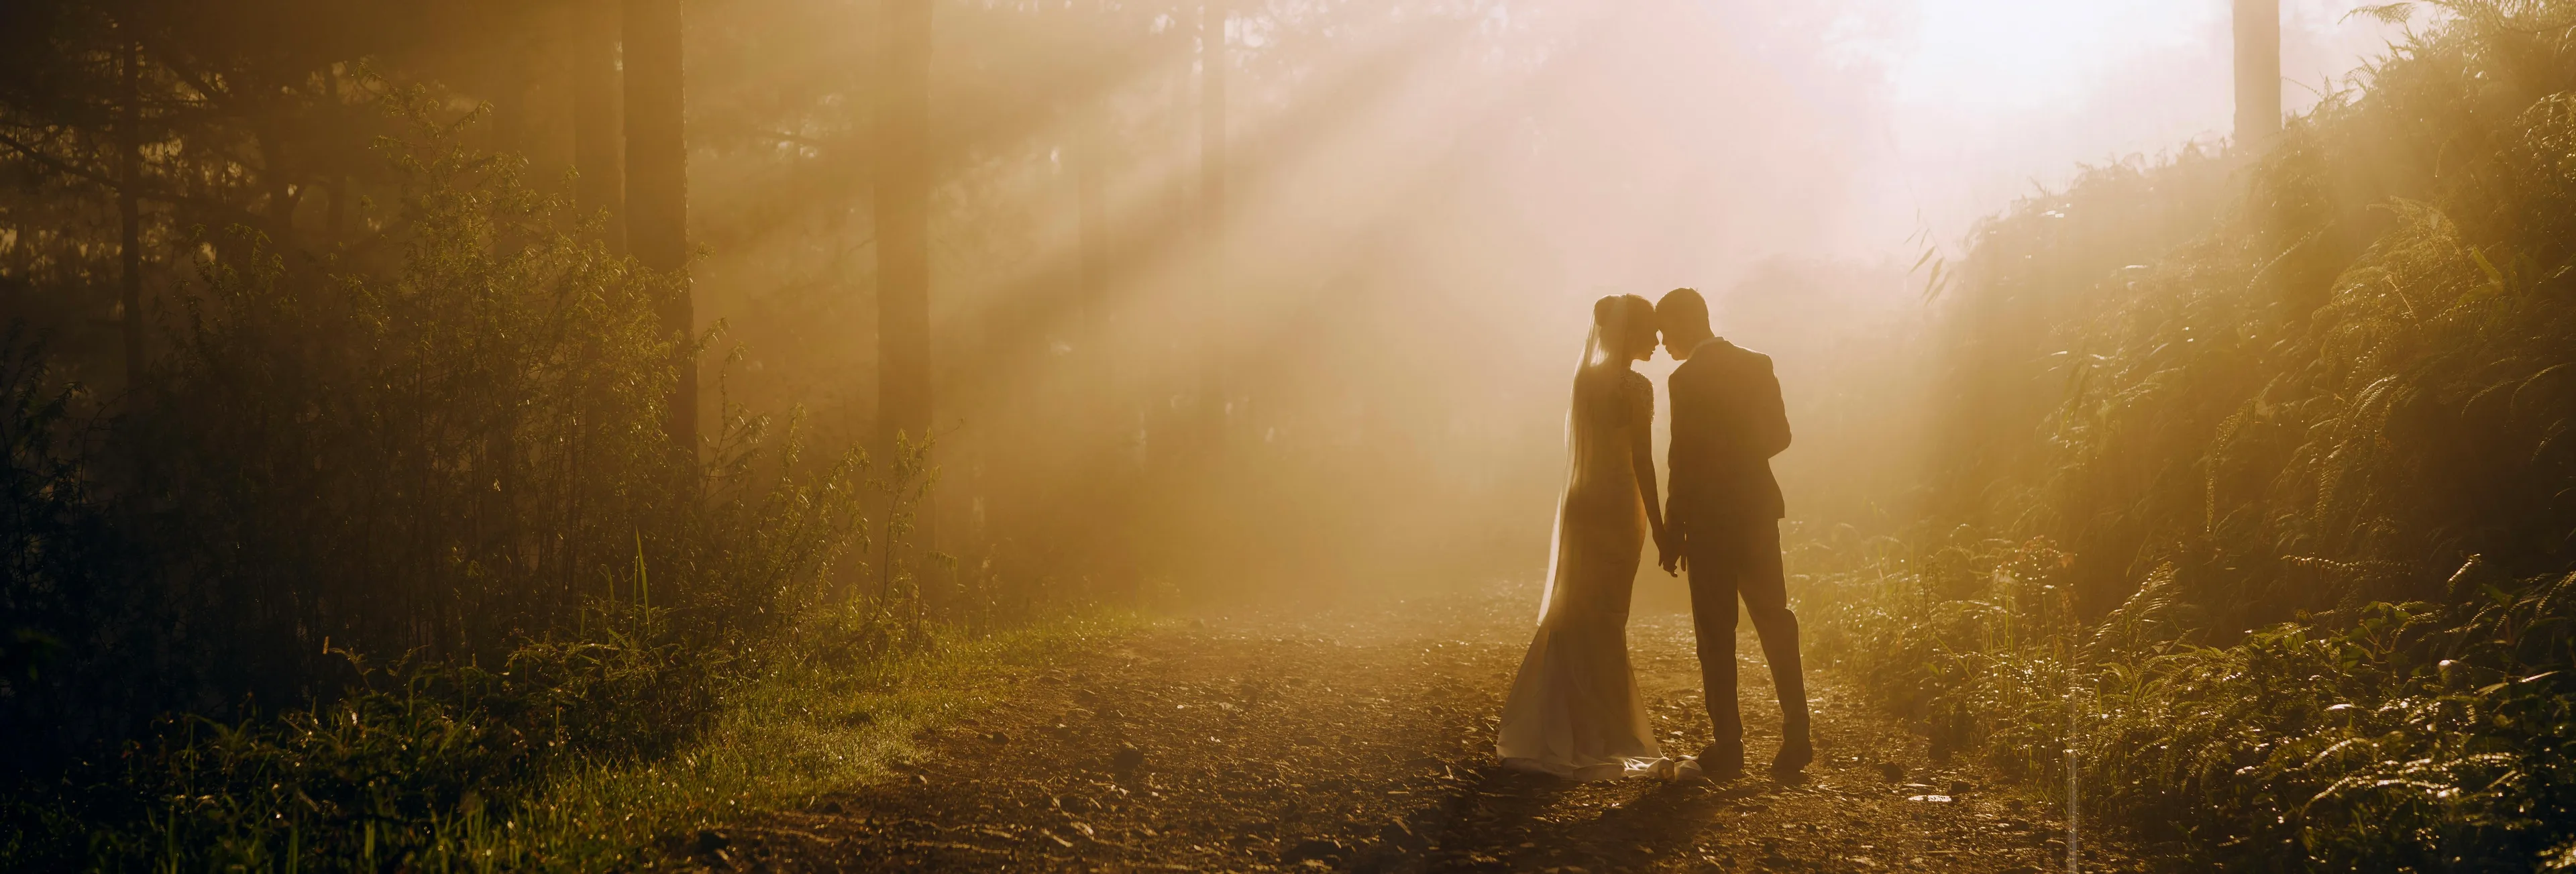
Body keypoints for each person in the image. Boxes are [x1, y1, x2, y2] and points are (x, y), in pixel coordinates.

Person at [1493, 294, 1674, 780]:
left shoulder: (1586, 381)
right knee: (1608, 615)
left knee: (1575, 611)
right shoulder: (1635, 387)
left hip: (1581, 503)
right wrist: (1659, 526)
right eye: (1650, 331)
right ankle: (1603, 729)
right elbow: (1642, 460)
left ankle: (1563, 722)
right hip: (1616, 504)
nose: (1658, 341)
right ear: (1629, 333)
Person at [1654, 286, 1811, 780]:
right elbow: (1780, 435)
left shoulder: (1684, 380)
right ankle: (1798, 735)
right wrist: (1739, 455)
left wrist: (1673, 527)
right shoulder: (1757, 364)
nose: (1662, 343)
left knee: (1715, 633)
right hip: (1756, 511)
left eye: (1664, 331)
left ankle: (1730, 745)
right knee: (1775, 619)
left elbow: (1681, 458)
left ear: (1684, 324)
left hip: (1707, 519)